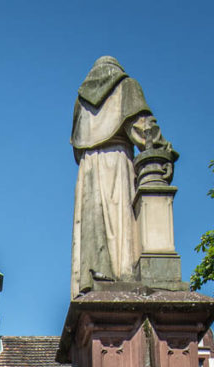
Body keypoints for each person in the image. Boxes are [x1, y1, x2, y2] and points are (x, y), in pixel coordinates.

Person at [70, 56, 176, 296]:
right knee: (119, 220)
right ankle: (121, 273)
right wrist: (165, 152)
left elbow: (77, 148)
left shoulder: (80, 101)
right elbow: (143, 128)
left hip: (88, 167)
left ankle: (95, 275)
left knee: (94, 223)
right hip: (117, 159)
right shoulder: (126, 85)